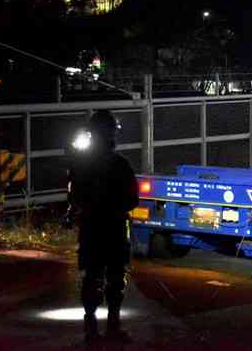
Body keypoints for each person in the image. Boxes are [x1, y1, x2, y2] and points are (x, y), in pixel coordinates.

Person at [66, 110, 139, 343]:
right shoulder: (120, 164)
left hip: (91, 228)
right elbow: (132, 200)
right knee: (115, 279)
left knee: (92, 276)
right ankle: (113, 327)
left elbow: (74, 197)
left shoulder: (80, 165)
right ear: (110, 134)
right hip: (114, 229)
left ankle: (91, 330)